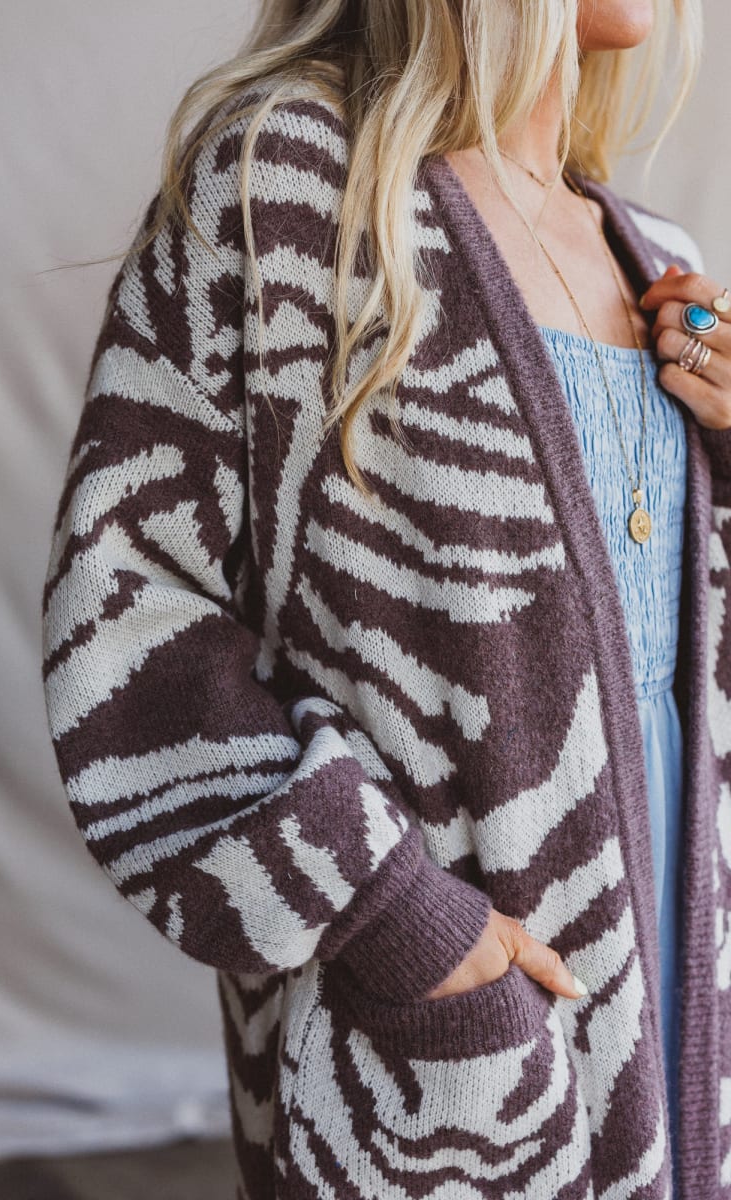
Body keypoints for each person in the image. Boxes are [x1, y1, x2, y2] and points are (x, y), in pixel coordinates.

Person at [41, 2, 731, 1196]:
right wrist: (394, 917)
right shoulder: (290, 186)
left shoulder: (648, 248)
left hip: (679, 970)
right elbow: (127, 609)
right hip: (443, 1037)